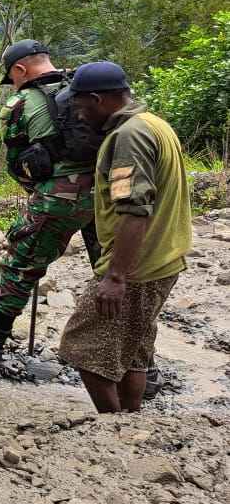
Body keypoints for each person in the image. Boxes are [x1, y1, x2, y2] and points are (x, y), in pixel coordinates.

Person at [57, 62, 191, 413]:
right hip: (163, 258)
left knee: (82, 347)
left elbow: (134, 209)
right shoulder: (154, 124)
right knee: (135, 349)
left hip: (137, 266)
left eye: (81, 107)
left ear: (99, 100)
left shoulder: (128, 138)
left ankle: (112, 425)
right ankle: (132, 423)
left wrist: (116, 277)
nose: (81, 117)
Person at [0, 40, 98, 373]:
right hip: (105, 194)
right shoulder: (86, 89)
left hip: (57, 197)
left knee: (20, 268)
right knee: (111, 274)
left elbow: (16, 162)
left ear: (20, 69)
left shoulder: (21, 101)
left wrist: (40, 190)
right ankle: (141, 366)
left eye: (13, 76)